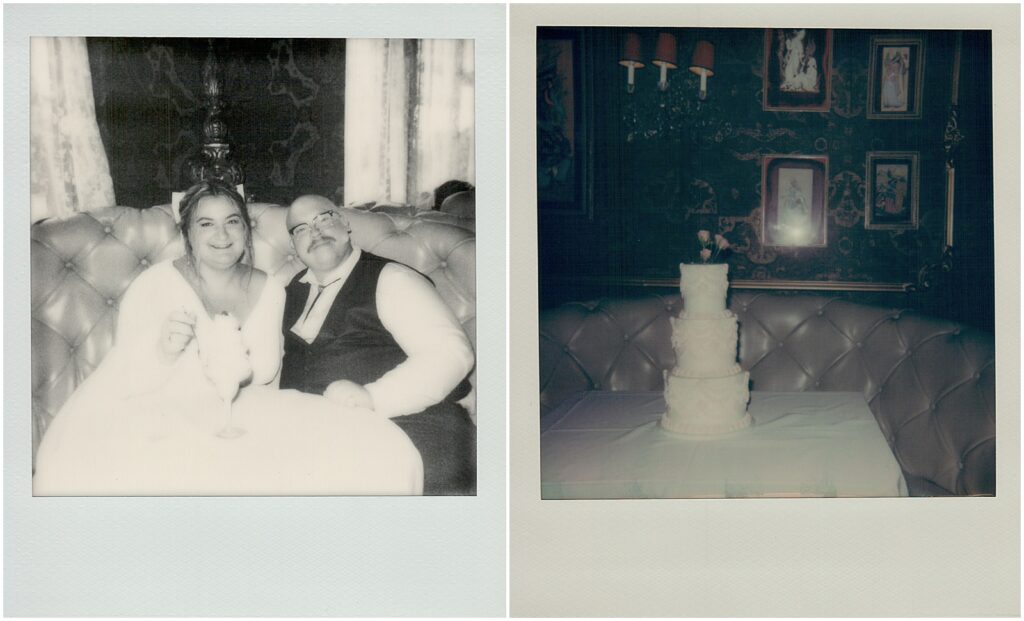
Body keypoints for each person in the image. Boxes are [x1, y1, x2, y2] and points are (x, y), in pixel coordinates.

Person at [33, 180, 423, 495]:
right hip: (159, 419)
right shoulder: (154, 284)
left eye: (232, 221)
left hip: (244, 420)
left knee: (360, 461)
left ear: (245, 228)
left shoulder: (272, 290)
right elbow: (127, 379)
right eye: (206, 224)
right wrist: (163, 352)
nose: (222, 234)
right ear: (187, 231)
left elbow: (268, 378)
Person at [280, 194, 476, 495]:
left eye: (324, 218)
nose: (316, 231)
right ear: (293, 246)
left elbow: (450, 353)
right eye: (302, 228)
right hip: (316, 437)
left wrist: (373, 397)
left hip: (412, 425)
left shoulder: (393, 277)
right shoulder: (290, 291)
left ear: (346, 223)